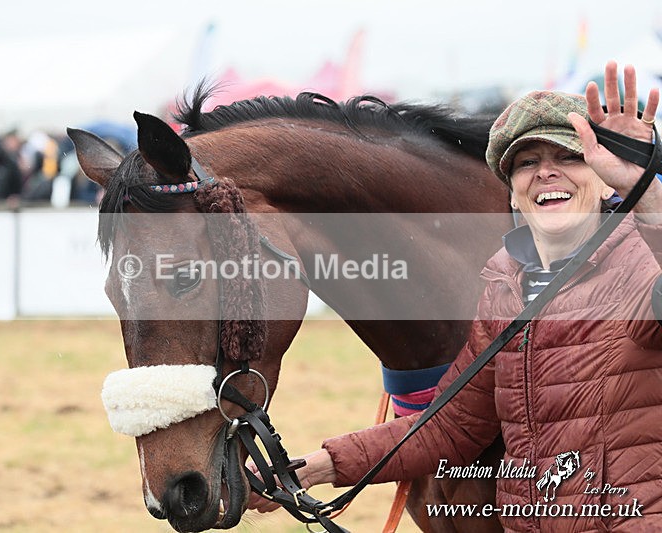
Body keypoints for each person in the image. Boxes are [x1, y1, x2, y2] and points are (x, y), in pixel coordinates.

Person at [249, 61, 662, 531]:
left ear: (605, 180)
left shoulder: (641, 261)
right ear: (511, 193)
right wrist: (316, 467)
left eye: (569, 158)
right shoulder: (505, 292)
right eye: (527, 163)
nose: (546, 173)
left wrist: (645, 190)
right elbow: (453, 426)